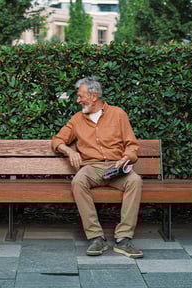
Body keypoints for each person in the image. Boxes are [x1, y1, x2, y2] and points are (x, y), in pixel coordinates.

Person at [51, 77, 143, 258]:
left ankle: (123, 238)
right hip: (92, 168)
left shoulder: (118, 114)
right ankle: (96, 237)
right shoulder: (77, 119)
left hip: (117, 167)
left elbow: (132, 145)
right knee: (78, 181)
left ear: (93, 96)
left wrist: (125, 158)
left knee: (135, 181)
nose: (78, 100)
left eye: (80, 96)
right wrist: (70, 152)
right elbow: (57, 140)